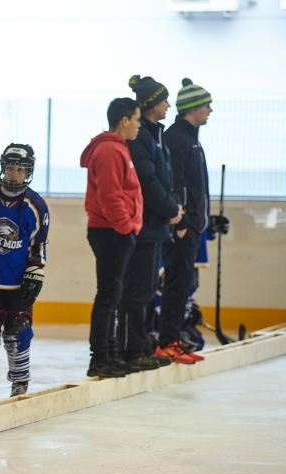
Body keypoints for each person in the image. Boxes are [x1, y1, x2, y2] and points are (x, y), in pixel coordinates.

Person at [0, 143, 50, 399]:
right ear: (2, 168)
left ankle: (20, 382)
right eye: (9, 168)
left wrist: (35, 271)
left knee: (19, 329)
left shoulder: (35, 205)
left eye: (19, 169)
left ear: (28, 172)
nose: (13, 174)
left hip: (17, 282)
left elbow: (39, 244)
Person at [158, 79, 228, 362]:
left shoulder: (192, 138)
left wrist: (206, 220)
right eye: (206, 105)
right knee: (176, 283)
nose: (210, 110)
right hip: (182, 227)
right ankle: (167, 341)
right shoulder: (177, 138)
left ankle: (174, 338)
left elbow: (195, 188)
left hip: (193, 225)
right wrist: (184, 221)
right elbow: (174, 183)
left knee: (183, 283)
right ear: (192, 109)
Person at [117, 75, 184, 371]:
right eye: (164, 100)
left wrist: (173, 208)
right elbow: (147, 180)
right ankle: (132, 350)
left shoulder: (155, 135)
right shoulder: (142, 138)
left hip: (155, 225)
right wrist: (171, 209)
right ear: (151, 104)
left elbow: (163, 177)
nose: (169, 105)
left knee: (145, 290)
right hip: (144, 227)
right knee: (137, 291)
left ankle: (141, 345)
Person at [80, 98, 143, 378]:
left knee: (113, 295)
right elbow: (109, 195)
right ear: (124, 120)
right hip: (110, 232)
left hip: (115, 231)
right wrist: (125, 226)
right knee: (107, 295)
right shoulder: (108, 150)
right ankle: (100, 359)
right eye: (137, 120)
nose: (140, 126)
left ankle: (111, 353)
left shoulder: (119, 148)